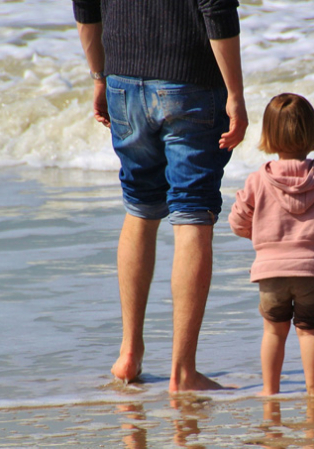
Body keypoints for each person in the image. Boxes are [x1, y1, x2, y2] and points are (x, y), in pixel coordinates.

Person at [72, 0, 248, 392]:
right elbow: (216, 6)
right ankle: (183, 371)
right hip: (190, 79)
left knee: (139, 208)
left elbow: (85, 5)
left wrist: (99, 76)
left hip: (122, 77)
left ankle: (129, 354)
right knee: (192, 213)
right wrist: (235, 92)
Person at [228, 93, 314, 396]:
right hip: (313, 269)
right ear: (312, 133)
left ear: (267, 134)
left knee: (273, 330)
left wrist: (264, 239)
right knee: (310, 330)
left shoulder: (258, 180)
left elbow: (237, 221)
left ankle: (270, 390)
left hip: (270, 271)